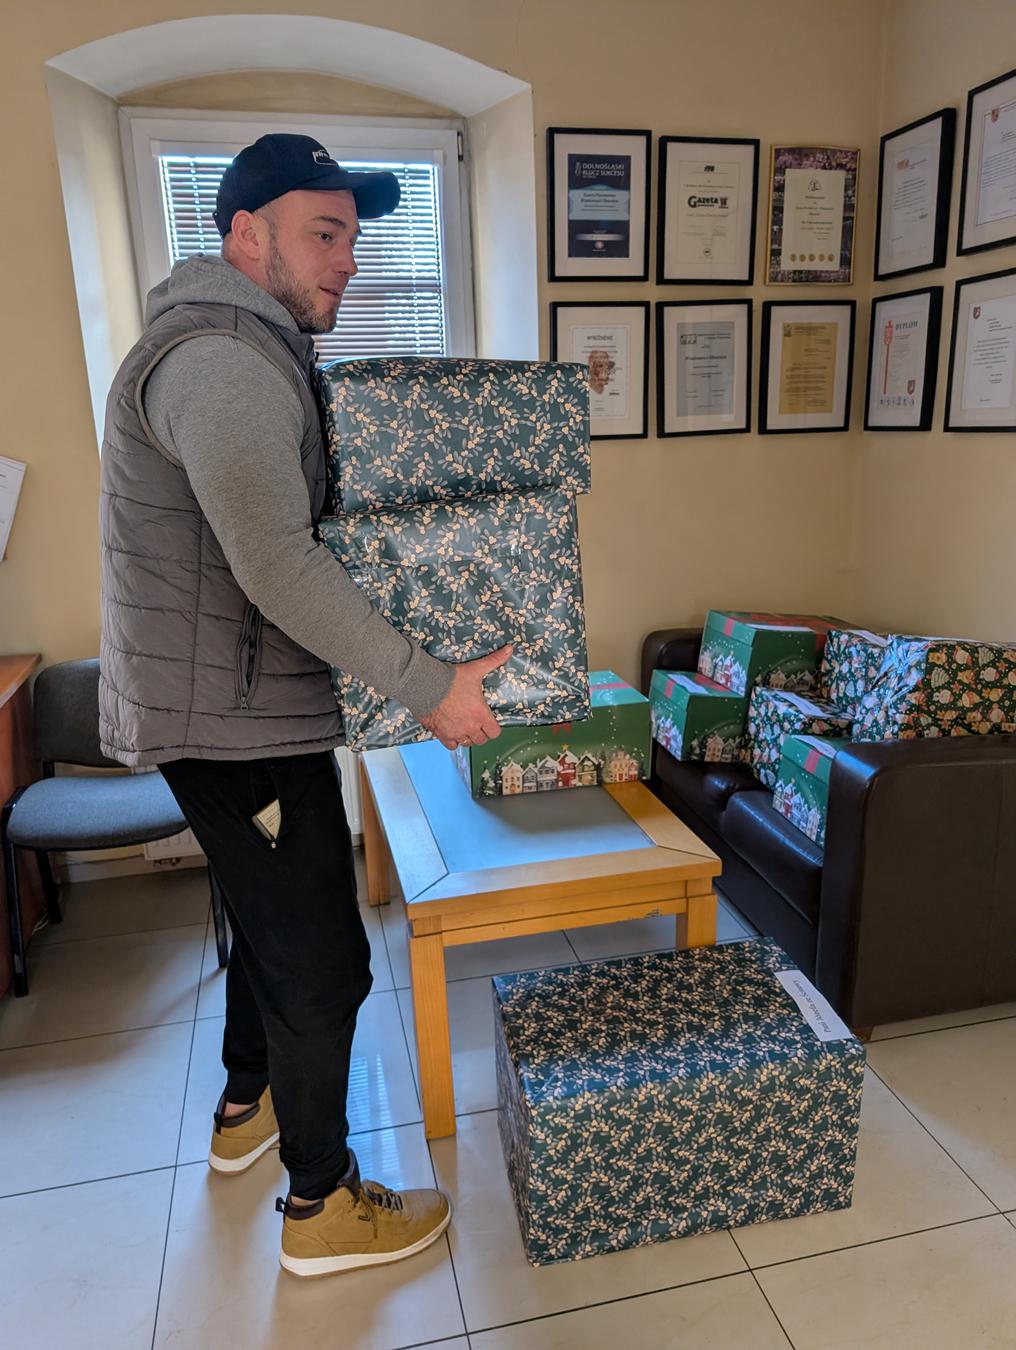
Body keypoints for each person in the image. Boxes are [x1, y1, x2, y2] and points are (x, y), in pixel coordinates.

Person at [97, 133, 510, 1278]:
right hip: (234, 726)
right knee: (324, 958)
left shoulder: (240, 346)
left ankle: (247, 1110)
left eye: (353, 238)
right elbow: (277, 563)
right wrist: (431, 688)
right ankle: (321, 1207)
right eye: (323, 234)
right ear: (246, 236)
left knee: (268, 928)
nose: (348, 261)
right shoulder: (222, 360)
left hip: (230, 708)